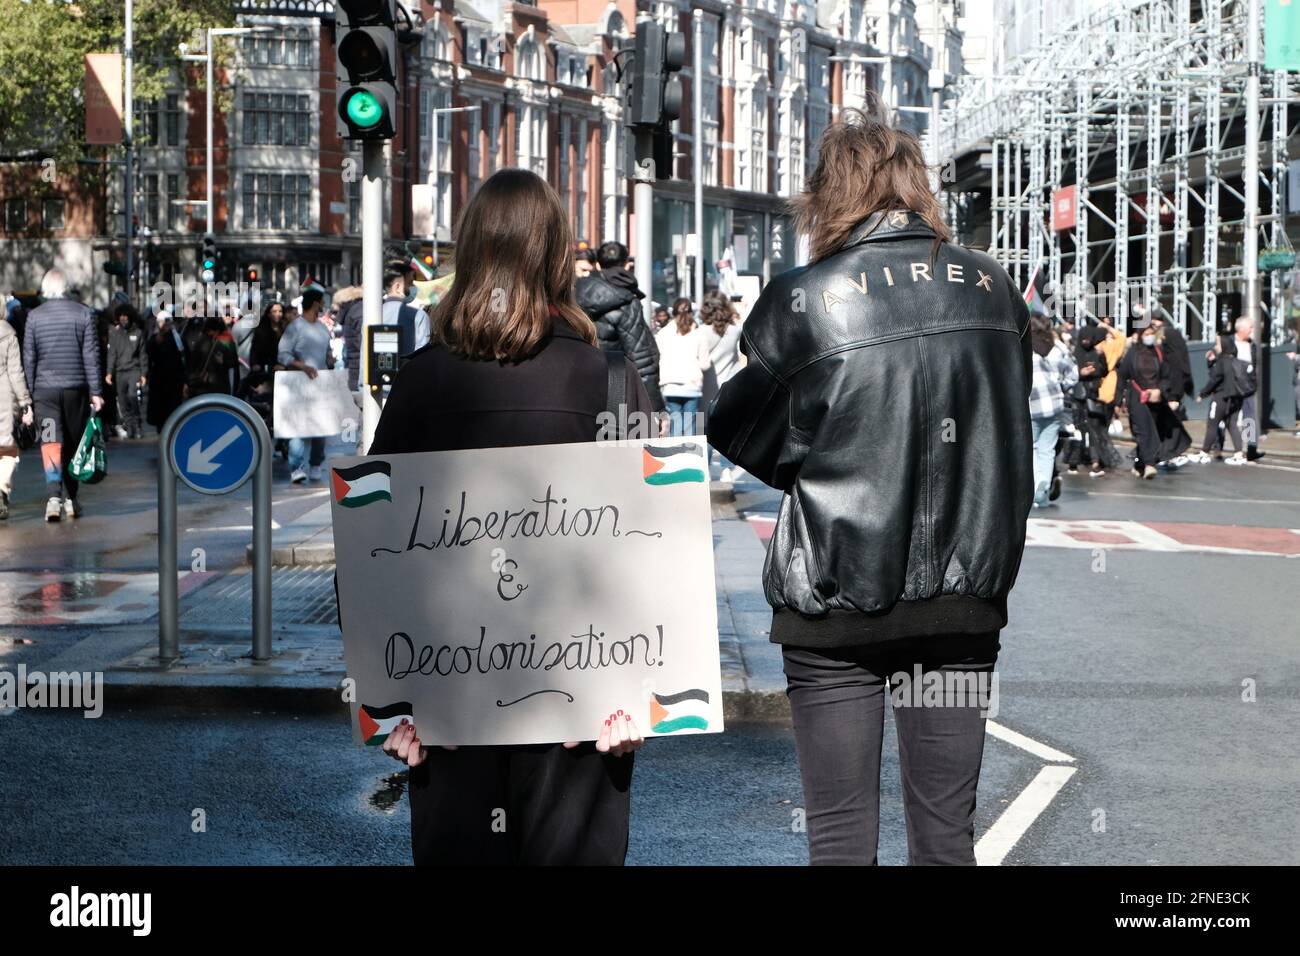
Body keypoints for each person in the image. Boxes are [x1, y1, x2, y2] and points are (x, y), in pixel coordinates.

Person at [708, 106, 1033, 866]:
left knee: (842, 836)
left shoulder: (805, 297)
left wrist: (826, 460)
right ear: (916, 187)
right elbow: (1007, 433)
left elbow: (738, 428)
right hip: (961, 603)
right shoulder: (992, 288)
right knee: (947, 836)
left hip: (834, 601)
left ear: (829, 196)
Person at [367, 168, 649, 866]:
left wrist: (394, 705)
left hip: (450, 704)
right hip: (583, 705)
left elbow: (375, 549)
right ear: (557, 257)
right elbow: (651, 545)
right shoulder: (609, 377)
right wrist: (643, 694)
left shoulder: (424, 380)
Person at [23, 269, 105, 522]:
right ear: (67, 287)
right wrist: (96, 392)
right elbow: (91, 356)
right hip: (75, 390)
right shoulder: (83, 313)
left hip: (44, 393)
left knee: (50, 442)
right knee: (72, 441)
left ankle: (53, 498)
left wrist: (27, 398)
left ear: (45, 288)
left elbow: (29, 358)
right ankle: (72, 498)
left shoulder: (33, 317)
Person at [574, 241, 665, 414]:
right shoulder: (626, 301)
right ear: (626, 264)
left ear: (598, 265)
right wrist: (656, 410)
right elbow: (642, 359)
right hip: (615, 394)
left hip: (575, 390)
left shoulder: (570, 294)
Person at [1115, 323, 1191, 478]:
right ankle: (1150, 464)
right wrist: (1117, 401)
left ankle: (1140, 463)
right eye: (1146, 333)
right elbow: (1122, 376)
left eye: (1151, 333)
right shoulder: (1133, 354)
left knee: (1153, 430)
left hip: (1155, 399)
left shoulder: (1158, 353)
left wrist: (1159, 391)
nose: (1149, 336)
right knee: (1144, 429)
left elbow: (1166, 376)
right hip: (1137, 397)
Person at [277, 287, 334, 483]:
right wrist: (302, 366)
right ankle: (296, 467)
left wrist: (329, 359)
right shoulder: (295, 327)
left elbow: (326, 351)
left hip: (320, 383)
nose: (324, 305)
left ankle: (316, 464)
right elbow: (283, 354)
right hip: (298, 383)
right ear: (315, 303)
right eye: (322, 301)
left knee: (321, 426)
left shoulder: (323, 328)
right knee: (297, 427)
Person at [1028, 314, 1078, 507]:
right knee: (1047, 449)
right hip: (1055, 404)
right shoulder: (1057, 348)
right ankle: (1043, 488)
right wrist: (1060, 387)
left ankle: (1035, 484)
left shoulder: (1023, 348)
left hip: (1032, 404)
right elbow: (1073, 374)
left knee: (1031, 447)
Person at [698, 290, 746, 480]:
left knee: (704, 429)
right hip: (729, 385)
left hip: (706, 386)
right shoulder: (735, 331)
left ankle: (705, 468)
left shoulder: (700, 332)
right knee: (727, 429)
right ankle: (726, 468)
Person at [656, 298, 710, 437]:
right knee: (690, 425)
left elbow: (658, 357)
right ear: (692, 313)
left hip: (670, 384)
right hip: (692, 385)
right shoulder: (699, 334)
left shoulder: (663, 333)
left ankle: (677, 457)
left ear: (672, 313)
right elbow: (705, 364)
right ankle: (689, 456)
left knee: (675, 424)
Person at [1071, 323, 1116, 477]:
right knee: (1078, 430)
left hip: (1092, 396)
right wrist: (1080, 372)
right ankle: (1075, 460)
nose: (1086, 341)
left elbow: (1104, 371)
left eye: (1089, 339)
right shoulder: (1075, 353)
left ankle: (1095, 459)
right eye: (1084, 339)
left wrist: (1100, 359)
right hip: (1078, 397)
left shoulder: (1096, 353)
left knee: (1095, 429)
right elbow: (1069, 374)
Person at [0, 315, 33, 519]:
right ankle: (2, 488)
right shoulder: (8, 333)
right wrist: (24, 401)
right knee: (6, 446)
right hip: (4, 396)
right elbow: (15, 372)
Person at [105, 304, 148, 439]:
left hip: (134, 370)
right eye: (121, 317)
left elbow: (143, 355)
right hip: (120, 372)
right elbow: (112, 354)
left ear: (130, 317)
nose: (123, 319)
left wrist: (143, 374)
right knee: (122, 401)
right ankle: (129, 426)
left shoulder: (138, 333)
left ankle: (138, 424)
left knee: (133, 396)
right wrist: (109, 372)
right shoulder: (115, 334)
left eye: (126, 316)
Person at [144, 311, 185, 434]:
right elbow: (148, 354)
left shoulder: (176, 338)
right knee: (160, 411)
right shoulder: (154, 338)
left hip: (173, 381)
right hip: (159, 381)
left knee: (172, 409)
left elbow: (182, 357)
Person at [382, 258, 430, 355]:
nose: (413, 287)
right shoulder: (418, 316)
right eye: (410, 282)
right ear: (398, 287)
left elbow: (364, 359)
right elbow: (422, 355)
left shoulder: (370, 315)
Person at [249, 300, 285, 374]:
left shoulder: (286, 330)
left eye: (280, 311)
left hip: (282, 368)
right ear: (268, 314)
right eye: (274, 311)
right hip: (264, 369)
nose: (278, 314)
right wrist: (255, 364)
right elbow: (254, 350)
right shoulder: (261, 331)